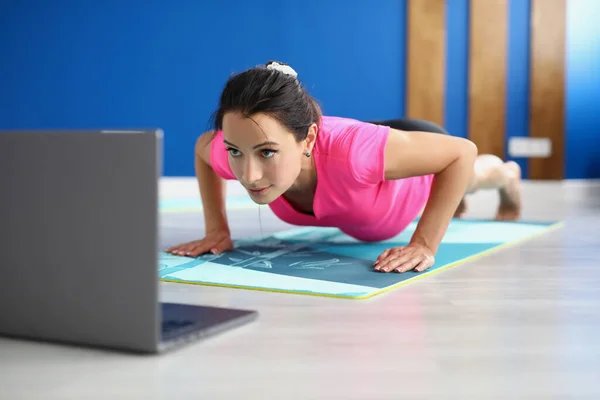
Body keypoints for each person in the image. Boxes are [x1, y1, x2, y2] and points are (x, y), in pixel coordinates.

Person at [166, 61, 522, 274]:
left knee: (472, 177)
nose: (249, 175)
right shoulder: (239, 145)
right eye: (235, 152)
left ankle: (507, 176)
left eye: (267, 153)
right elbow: (203, 151)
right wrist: (217, 229)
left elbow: (460, 152)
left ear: (307, 140)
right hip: (361, 156)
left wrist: (425, 245)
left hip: (405, 162)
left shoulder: (353, 155)